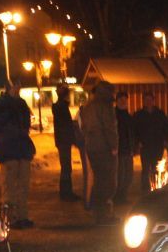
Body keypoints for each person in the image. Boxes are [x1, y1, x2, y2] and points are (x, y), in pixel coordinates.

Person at [0, 82, 36, 229]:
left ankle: (22, 216)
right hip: (10, 149)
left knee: (23, 185)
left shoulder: (20, 104)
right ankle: (11, 218)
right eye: (16, 85)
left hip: (21, 148)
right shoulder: (0, 106)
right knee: (10, 187)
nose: (18, 88)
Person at [79, 81, 118, 224]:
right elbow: (109, 127)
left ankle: (98, 213)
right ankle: (104, 214)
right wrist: (113, 146)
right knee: (107, 181)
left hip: (92, 147)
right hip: (104, 148)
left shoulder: (88, 107)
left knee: (98, 180)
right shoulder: (105, 106)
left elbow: (83, 127)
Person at [132, 92, 168, 194]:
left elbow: (167, 127)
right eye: (146, 100)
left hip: (157, 146)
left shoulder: (159, 113)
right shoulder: (138, 115)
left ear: (153, 101)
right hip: (145, 146)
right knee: (145, 168)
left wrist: (165, 140)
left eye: (150, 100)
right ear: (143, 101)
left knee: (156, 168)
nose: (148, 102)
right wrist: (137, 142)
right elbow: (134, 130)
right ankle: (145, 189)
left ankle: (156, 187)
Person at [52, 84, 80, 201]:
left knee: (66, 167)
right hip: (64, 140)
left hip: (62, 140)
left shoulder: (59, 106)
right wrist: (74, 138)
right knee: (66, 167)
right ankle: (66, 193)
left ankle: (66, 192)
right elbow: (66, 125)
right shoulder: (61, 107)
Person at [113, 91, 134, 205]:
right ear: (117, 101)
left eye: (125, 100)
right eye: (120, 99)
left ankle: (123, 196)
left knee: (129, 176)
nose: (123, 102)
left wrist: (133, 148)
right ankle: (118, 198)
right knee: (120, 176)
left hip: (128, 150)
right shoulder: (114, 115)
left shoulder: (128, 116)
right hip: (119, 151)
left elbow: (131, 133)